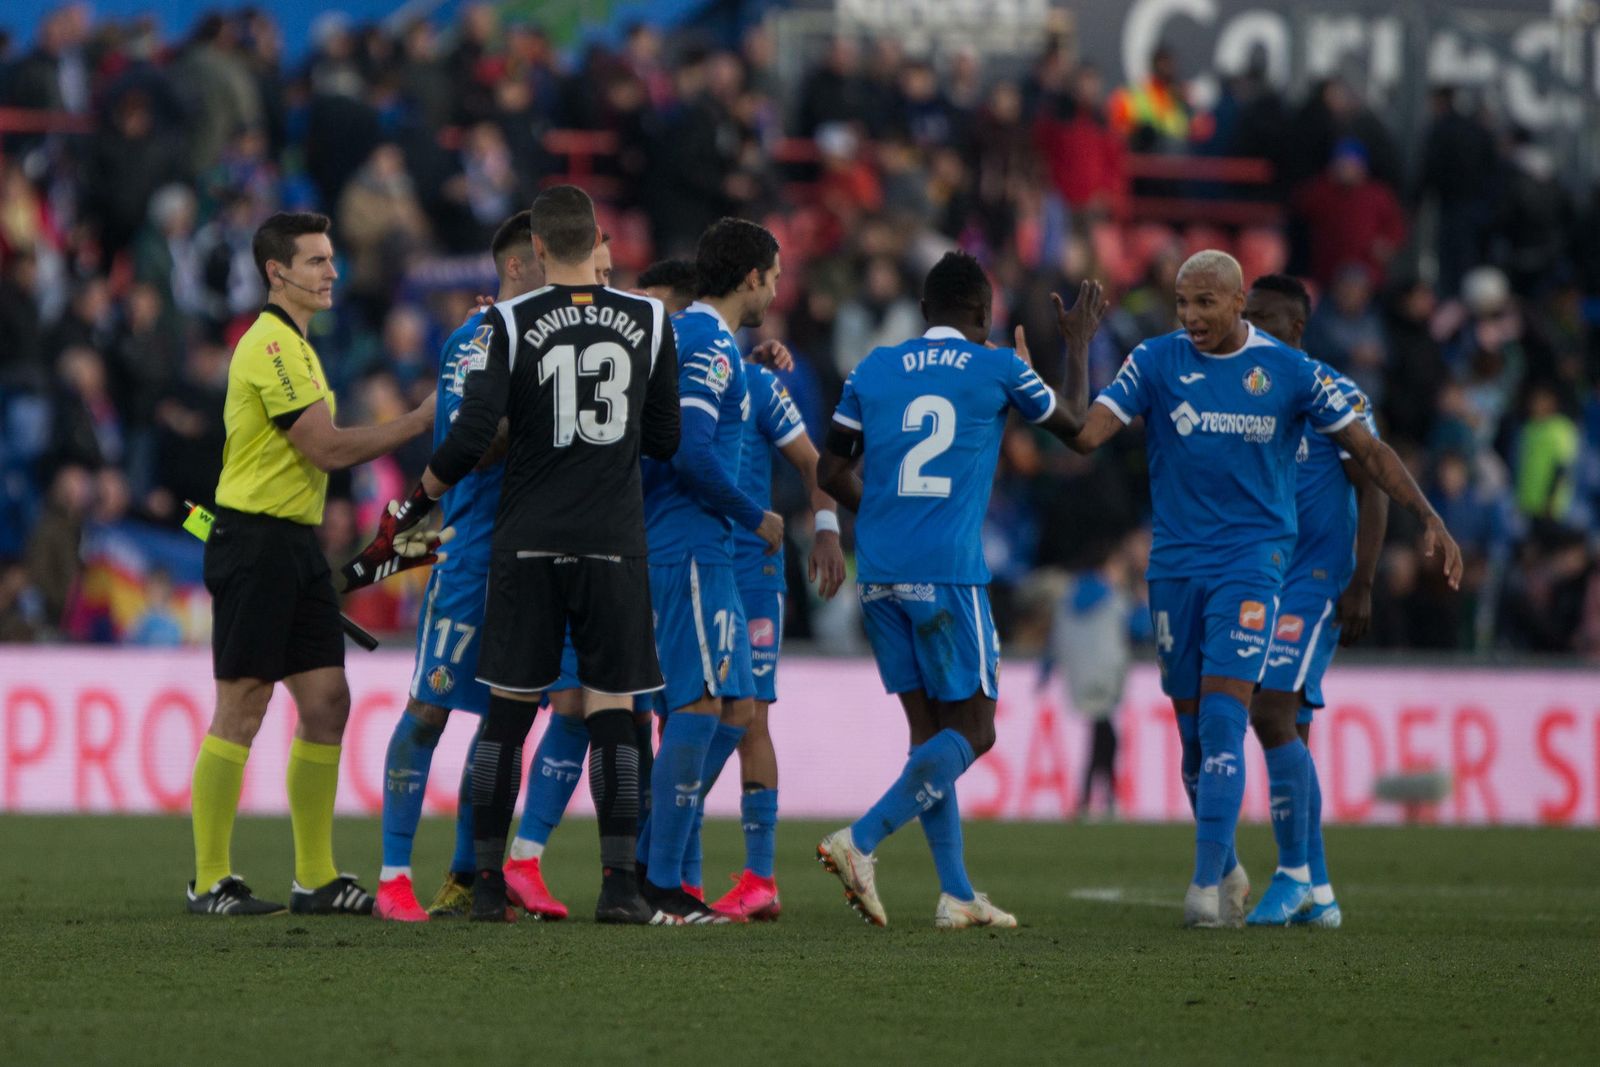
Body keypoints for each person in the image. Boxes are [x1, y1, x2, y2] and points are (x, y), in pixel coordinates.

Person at [1060, 250, 1461, 928]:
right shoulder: (1157, 361)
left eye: (1204, 304)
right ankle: (1247, 871)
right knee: (1195, 737)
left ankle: (1214, 890)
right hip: (1175, 567)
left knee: (1240, 716)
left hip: (1258, 565)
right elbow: (1081, 435)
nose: (1190, 317)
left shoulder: (1293, 373)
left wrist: (1429, 516)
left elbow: (1370, 455)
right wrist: (1075, 352)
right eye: (1182, 303)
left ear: (1237, 301)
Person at [365, 185, 680, 924]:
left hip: (525, 541)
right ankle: (620, 886)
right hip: (608, 541)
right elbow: (664, 440)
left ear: (540, 247)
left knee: (508, 717)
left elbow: (471, 433)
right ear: (595, 241)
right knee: (613, 713)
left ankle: (483, 881)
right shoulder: (648, 320)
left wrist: (411, 503)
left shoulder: (506, 322)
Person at [815, 252, 1106, 929]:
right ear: (985, 313)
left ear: (923, 312)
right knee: (974, 731)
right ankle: (858, 840)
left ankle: (956, 893)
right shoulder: (999, 365)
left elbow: (832, 469)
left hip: (880, 572)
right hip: (947, 571)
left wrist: (883, 514)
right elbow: (1079, 431)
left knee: (929, 737)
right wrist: (1079, 345)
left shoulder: (873, 367)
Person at [188, 211, 436, 917]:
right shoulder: (267, 345)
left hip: (295, 545)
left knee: (327, 701)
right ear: (278, 272)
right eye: (318, 260)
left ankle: (316, 878)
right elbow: (324, 449)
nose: (333, 271)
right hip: (255, 541)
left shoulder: (297, 345)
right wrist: (417, 422)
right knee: (244, 702)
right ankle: (208, 879)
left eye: (332, 258)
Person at [372, 211, 544, 922]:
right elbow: (478, 439)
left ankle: (468, 875)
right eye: (550, 259)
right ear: (518, 266)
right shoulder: (477, 339)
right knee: (431, 708)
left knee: (505, 720)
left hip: (536, 556)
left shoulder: (545, 336)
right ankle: (391, 877)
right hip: (473, 553)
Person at [634, 217, 786, 924]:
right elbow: (690, 451)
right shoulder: (703, 341)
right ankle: (659, 881)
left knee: (735, 709)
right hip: (691, 543)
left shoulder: (713, 342)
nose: (778, 290)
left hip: (709, 548)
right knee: (697, 708)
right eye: (775, 275)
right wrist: (756, 512)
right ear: (751, 276)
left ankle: (655, 859)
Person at [1241, 274, 1387, 927]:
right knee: (1289, 728)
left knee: (1271, 710)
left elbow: (1377, 481)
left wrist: (1363, 580)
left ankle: (1292, 874)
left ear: (1297, 330)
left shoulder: (1336, 394)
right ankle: (1319, 890)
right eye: (1248, 319)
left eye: (1265, 323)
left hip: (1318, 579)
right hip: (1264, 578)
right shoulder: (1245, 394)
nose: (1251, 332)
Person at [694, 357, 846, 920]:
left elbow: (814, 463)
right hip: (690, 566)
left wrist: (825, 530)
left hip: (753, 574)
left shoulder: (760, 385)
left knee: (751, 716)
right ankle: (676, 862)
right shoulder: (677, 376)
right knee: (687, 711)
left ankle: (759, 878)